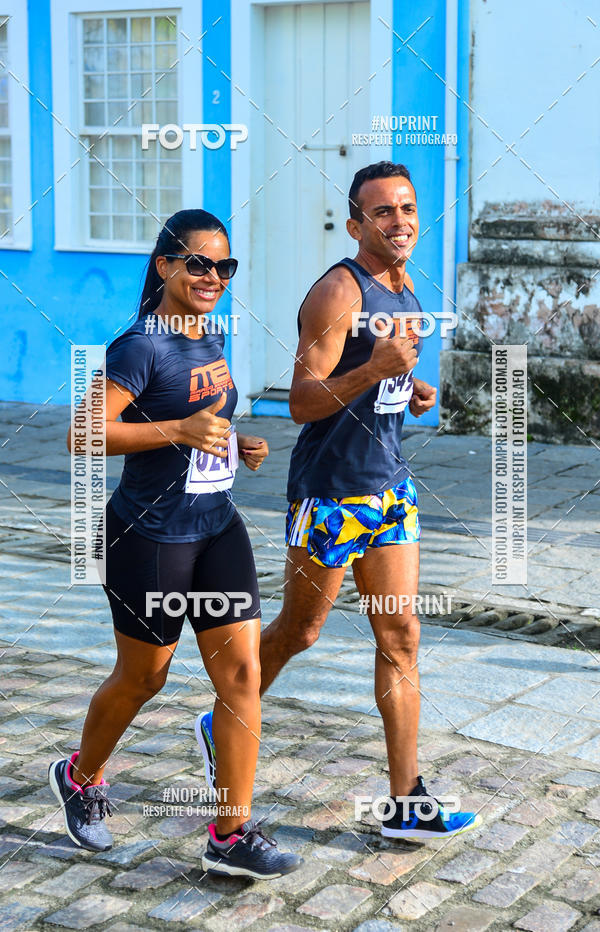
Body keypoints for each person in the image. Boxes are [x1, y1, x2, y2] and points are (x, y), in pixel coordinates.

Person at [196, 164, 481, 840]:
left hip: (391, 492)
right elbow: (299, 402)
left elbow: (377, 385)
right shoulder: (337, 292)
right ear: (355, 224)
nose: (399, 221)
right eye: (382, 212)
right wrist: (372, 371)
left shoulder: (406, 289)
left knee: (402, 634)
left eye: (407, 208)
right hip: (330, 497)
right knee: (301, 631)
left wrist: (405, 390)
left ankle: (406, 800)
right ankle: (222, 716)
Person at [49, 209, 302, 879]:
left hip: (215, 525)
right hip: (148, 538)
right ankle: (79, 776)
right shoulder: (140, 345)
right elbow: (84, 434)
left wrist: (231, 439)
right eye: (198, 264)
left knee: (243, 677)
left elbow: (199, 416)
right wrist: (180, 432)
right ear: (165, 266)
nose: (213, 277)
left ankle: (231, 835)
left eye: (224, 267)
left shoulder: (207, 331)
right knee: (145, 677)